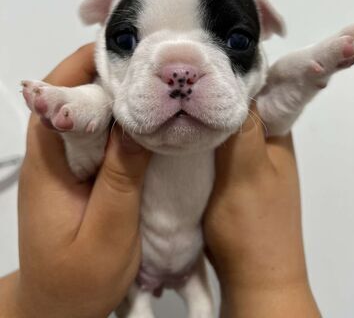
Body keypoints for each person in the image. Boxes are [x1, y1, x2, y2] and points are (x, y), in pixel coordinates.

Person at [0, 45, 321, 318]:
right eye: (130, 39)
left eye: (234, 41)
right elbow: (94, 118)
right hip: (135, 265)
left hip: (189, 261)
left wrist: (30, 306)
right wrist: (274, 285)